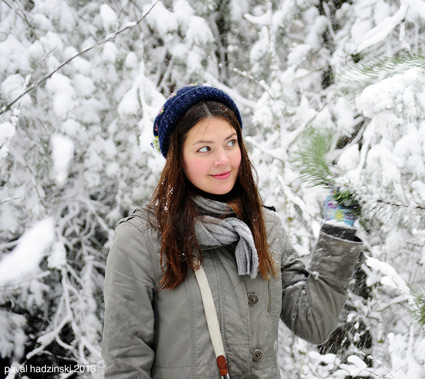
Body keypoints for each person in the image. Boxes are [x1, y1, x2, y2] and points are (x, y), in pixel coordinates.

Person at [101, 85, 363, 378]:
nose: (223, 160)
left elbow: (313, 322)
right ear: (177, 157)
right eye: (204, 148)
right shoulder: (141, 239)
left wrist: (338, 233)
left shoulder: (264, 228)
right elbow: (125, 364)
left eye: (230, 143)